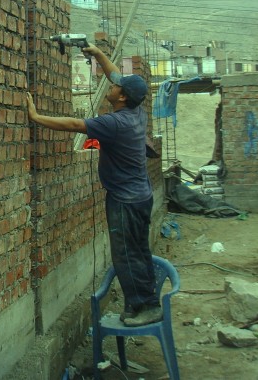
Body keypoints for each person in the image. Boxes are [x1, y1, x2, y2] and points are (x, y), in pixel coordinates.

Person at [25, 43, 161, 327]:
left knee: (125, 254)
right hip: (140, 195)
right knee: (139, 250)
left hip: (125, 200)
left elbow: (74, 125)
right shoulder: (136, 111)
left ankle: (145, 306)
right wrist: (98, 53)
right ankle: (144, 302)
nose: (111, 84)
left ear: (121, 97)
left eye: (116, 86)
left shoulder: (115, 123)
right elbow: (114, 75)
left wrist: (36, 117)